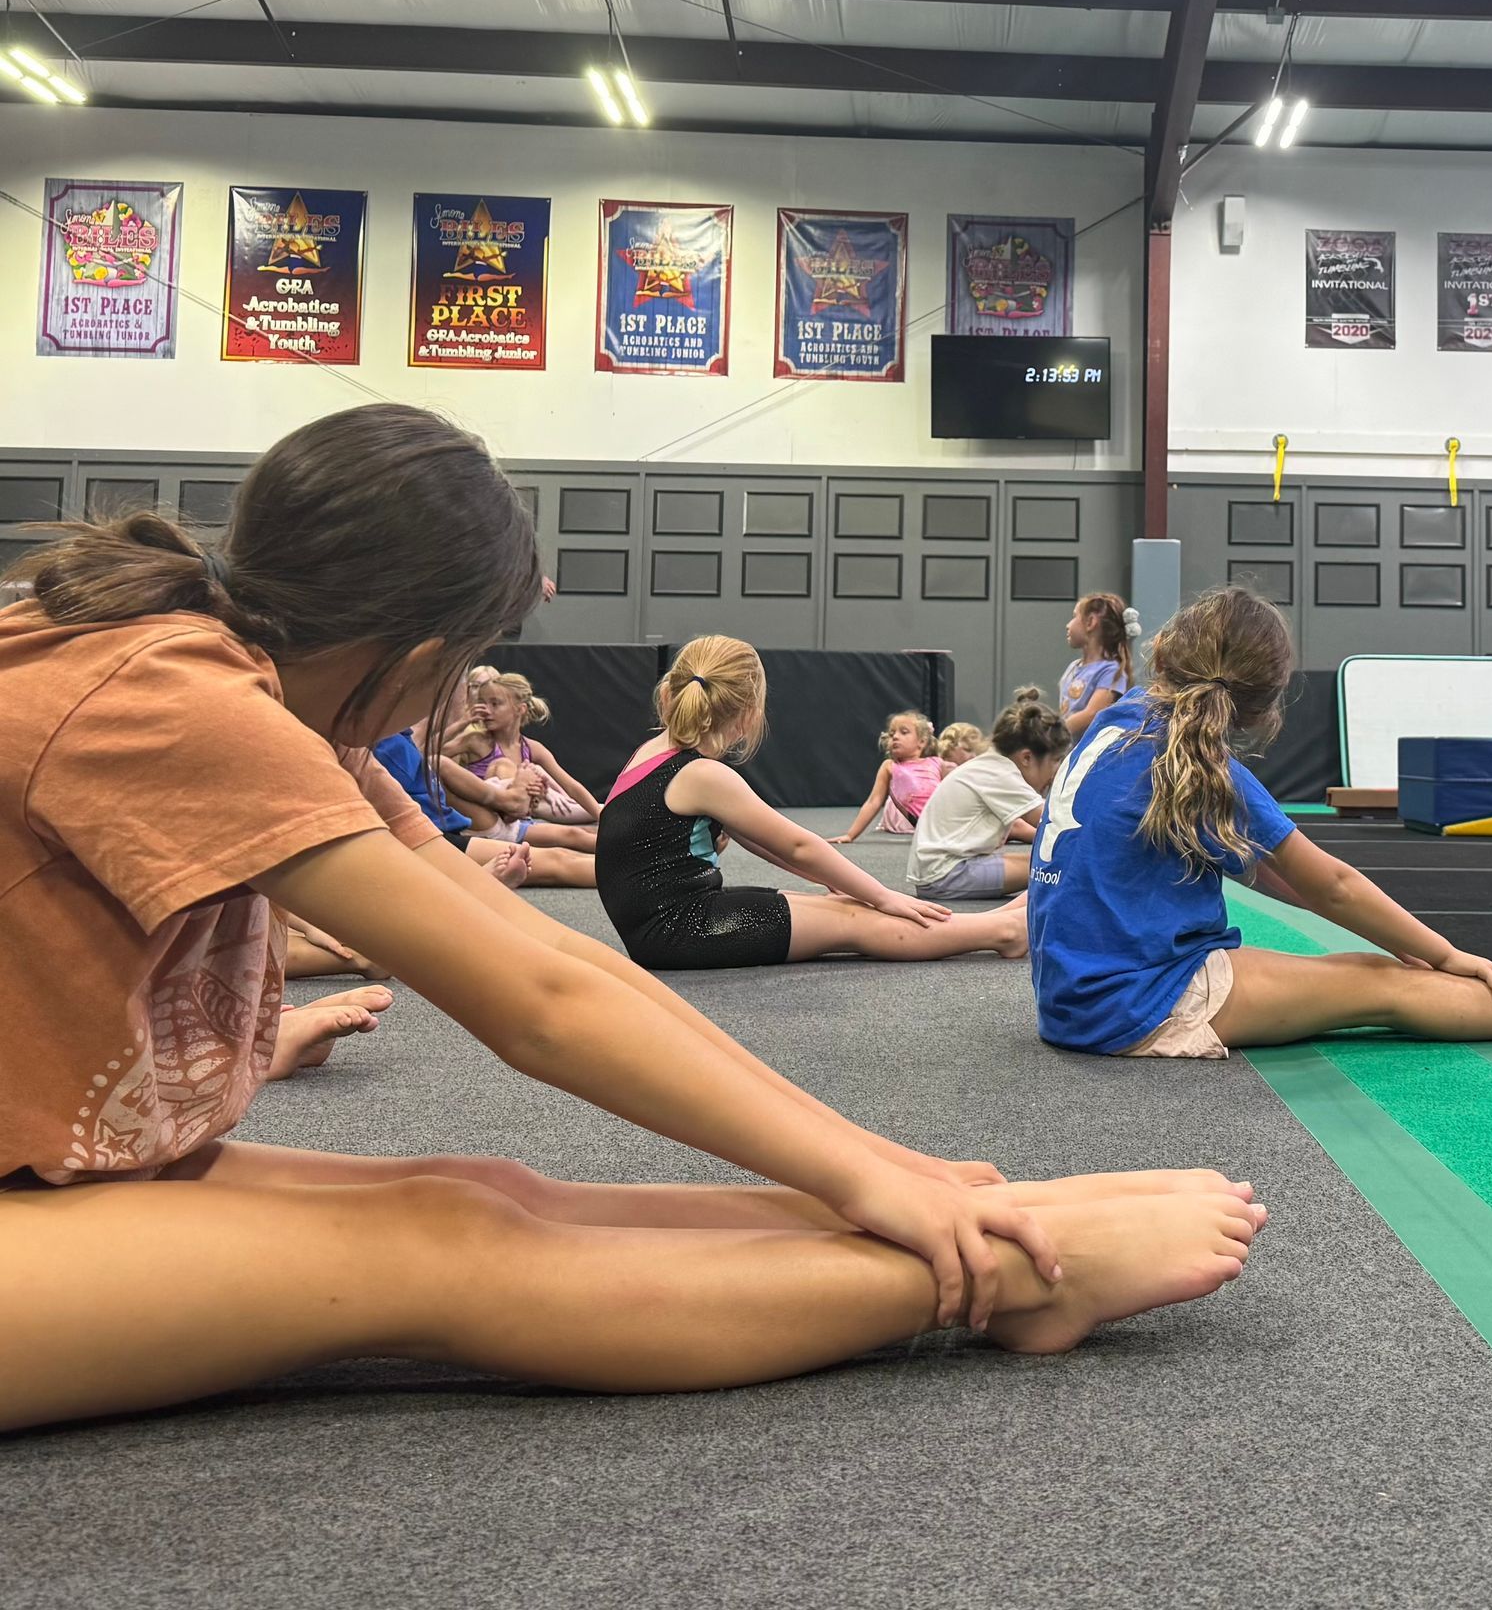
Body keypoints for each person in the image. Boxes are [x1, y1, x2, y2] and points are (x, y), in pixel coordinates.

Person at [0, 405, 1265, 1436]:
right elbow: (538, 1008)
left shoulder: (264, 698)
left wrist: (884, 1163)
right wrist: (883, 1184)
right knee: (437, 1246)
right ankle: (1004, 1279)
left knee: (480, 1183)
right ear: (429, 647)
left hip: (60, 1183)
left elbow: (547, 952)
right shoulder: (169, 692)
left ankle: (982, 1226)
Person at [1027, 585, 1492, 1060]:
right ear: (1262, 703)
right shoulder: (1200, 767)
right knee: (1381, 983)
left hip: (1076, 988)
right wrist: (1443, 954)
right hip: (1133, 1002)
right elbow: (1332, 884)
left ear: (1169, 653)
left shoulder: (1123, 721)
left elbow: (1278, 874)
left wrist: (1425, 952)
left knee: (1376, 963)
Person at [599, 640, 1030, 968]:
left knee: (839, 904)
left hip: (665, 921)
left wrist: (847, 885)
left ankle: (986, 921)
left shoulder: (654, 752)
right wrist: (882, 895)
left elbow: (761, 842)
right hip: (678, 929)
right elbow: (796, 845)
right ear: (749, 712)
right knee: (854, 921)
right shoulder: (701, 774)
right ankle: (1005, 930)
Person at [373, 724, 595, 889]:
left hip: (453, 826)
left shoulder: (400, 736)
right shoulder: (383, 746)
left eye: (495, 703)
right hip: (439, 833)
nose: (486, 709)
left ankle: (514, 801)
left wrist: (588, 808)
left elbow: (564, 783)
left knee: (566, 845)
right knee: (558, 858)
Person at [910, 690, 1069, 900]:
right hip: (946, 874)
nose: (1056, 770)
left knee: (1045, 859)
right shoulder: (1000, 773)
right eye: (1056, 760)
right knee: (1058, 863)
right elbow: (1054, 824)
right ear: (1027, 757)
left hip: (940, 869)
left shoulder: (992, 765)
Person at [447, 667, 601, 832]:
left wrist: (601, 816)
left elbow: (572, 786)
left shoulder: (532, 748)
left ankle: (608, 815)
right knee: (504, 765)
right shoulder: (477, 741)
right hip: (487, 816)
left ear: (520, 709)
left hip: (523, 817)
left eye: (494, 704)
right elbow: (430, 755)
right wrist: (461, 723)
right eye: (482, 703)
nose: (486, 711)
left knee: (591, 823)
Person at [831, 711, 945, 840]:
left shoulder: (936, 763)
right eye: (891, 734)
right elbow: (873, 802)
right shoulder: (890, 766)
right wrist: (850, 835)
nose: (895, 737)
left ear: (922, 742)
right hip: (926, 824)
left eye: (904, 732)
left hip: (945, 818)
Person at [1059, 592, 1138, 741]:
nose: (1068, 625)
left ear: (1090, 622)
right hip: (1067, 749)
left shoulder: (1112, 672)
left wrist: (1052, 735)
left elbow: (1093, 713)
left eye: (1074, 616)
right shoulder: (1073, 667)